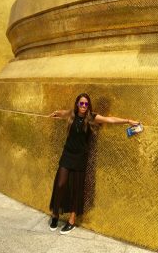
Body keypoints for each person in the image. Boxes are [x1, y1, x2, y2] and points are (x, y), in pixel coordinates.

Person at [47, 92, 140, 235]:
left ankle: (72, 220)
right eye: (81, 103)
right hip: (67, 154)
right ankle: (55, 215)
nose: (83, 106)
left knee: (77, 188)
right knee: (60, 184)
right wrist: (56, 113)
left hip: (80, 157)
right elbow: (63, 113)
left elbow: (111, 120)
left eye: (86, 104)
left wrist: (128, 121)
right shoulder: (72, 114)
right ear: (77, 104)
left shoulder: (91, 117)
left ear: (88, 105)